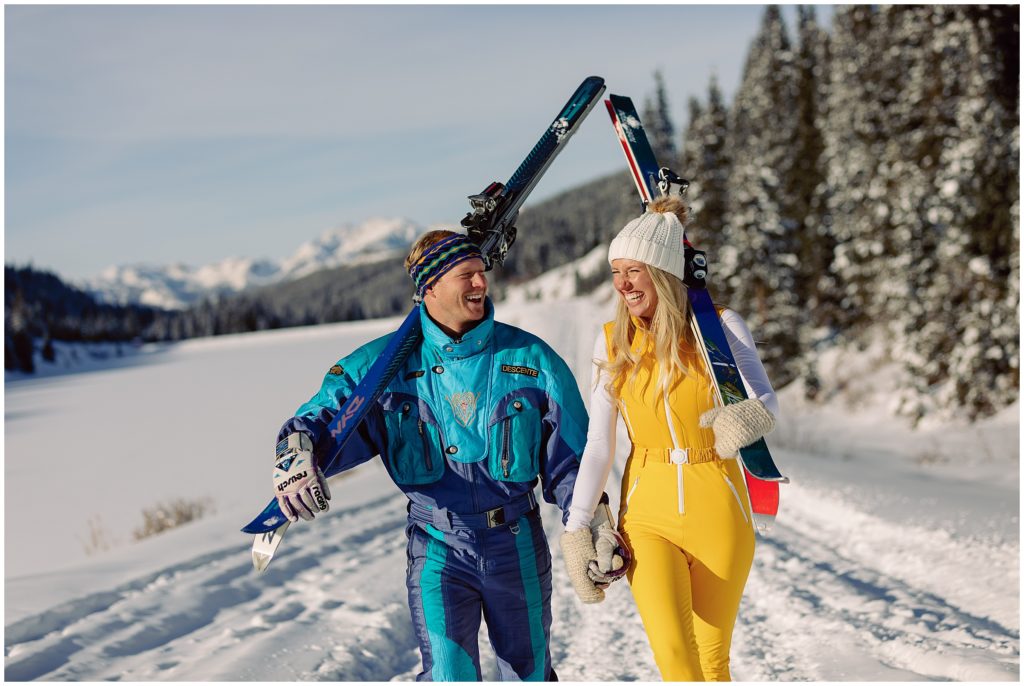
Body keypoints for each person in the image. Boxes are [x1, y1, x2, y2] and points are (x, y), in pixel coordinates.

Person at [271, 229, 591, 681]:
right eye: (466, 275)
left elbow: (573, 458)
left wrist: (587, 524)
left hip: (515, 541)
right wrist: (296, 451)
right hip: (437, 544)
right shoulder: (382, 366)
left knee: (529, 674)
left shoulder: (531, 358)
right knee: (447, 675)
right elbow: (322, 417)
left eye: (482, 273)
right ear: (429, 289)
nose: (481, 283)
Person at [559, 196, 780, 681]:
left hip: (719, 507)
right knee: (676, 661)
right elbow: (600, 444)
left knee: (711, 659)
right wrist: (577, 525)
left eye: (633, 270)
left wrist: (747, 419)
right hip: (647, 512)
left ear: (661, 270)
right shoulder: (613, 340)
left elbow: (766, 401)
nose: (622, 284)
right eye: (617, 272)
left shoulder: (719, 328)